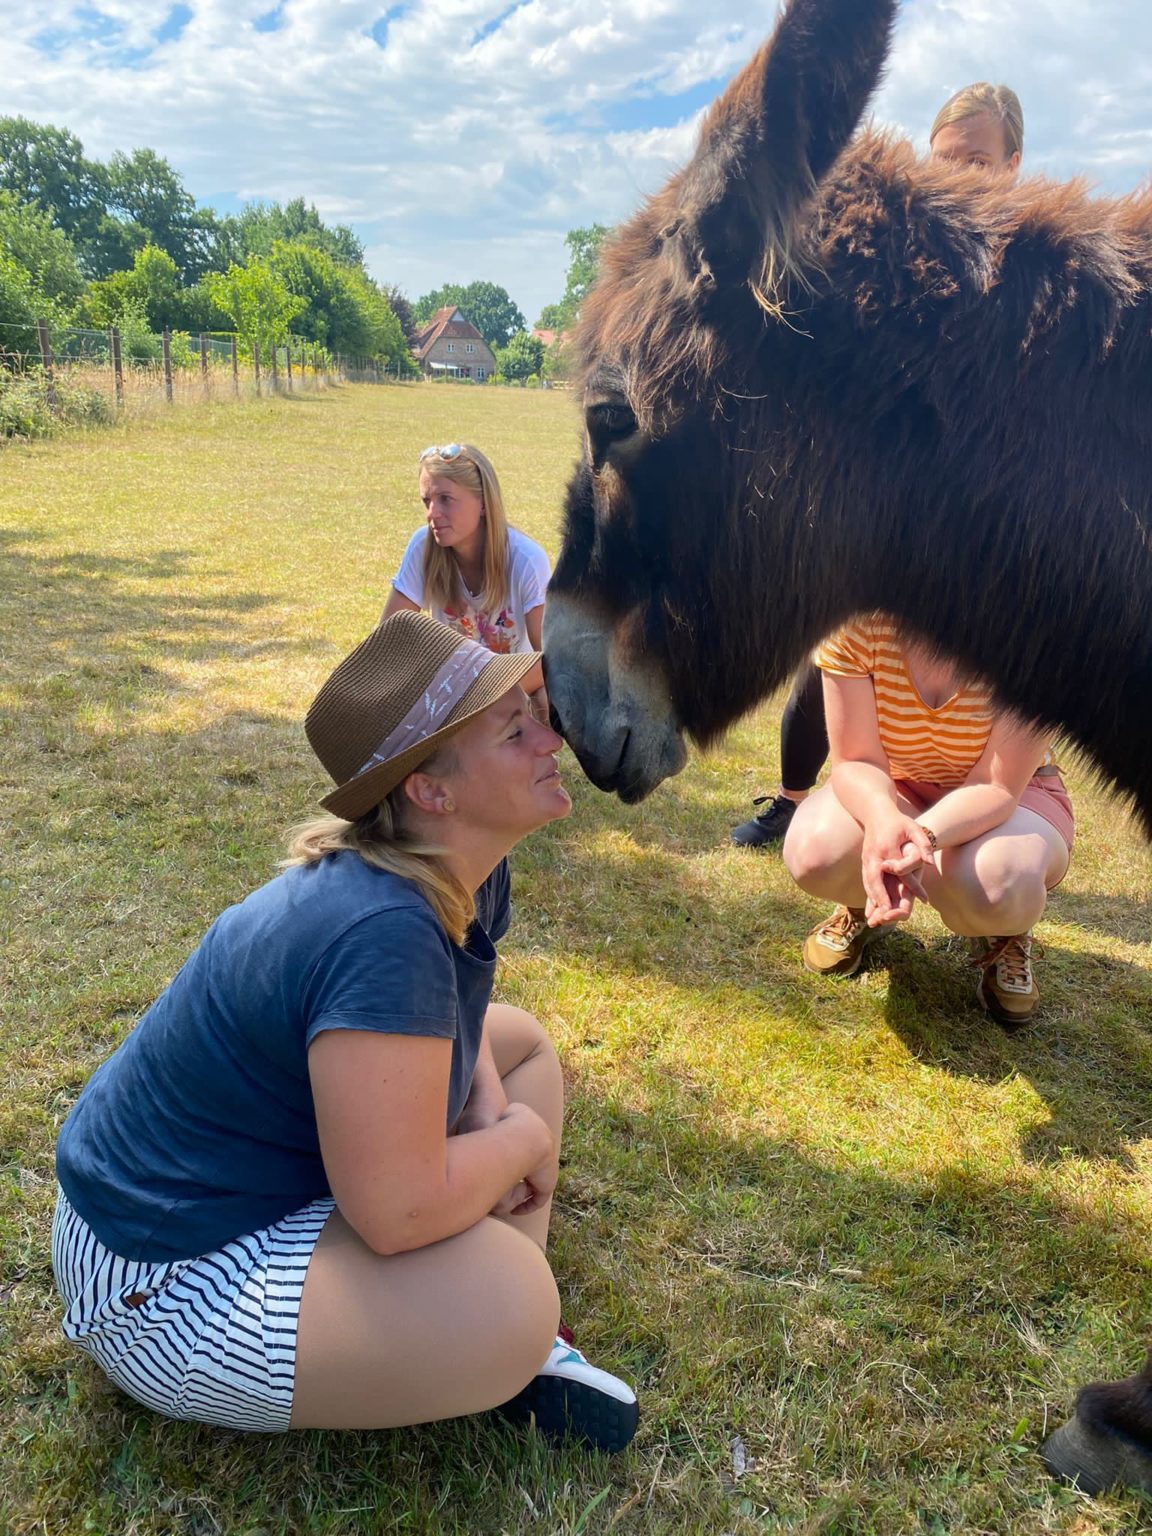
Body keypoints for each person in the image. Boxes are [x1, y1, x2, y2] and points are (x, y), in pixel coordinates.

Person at [51, 613, 639, 1451]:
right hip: (158, 1282)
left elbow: (463, 1023)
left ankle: (480, 1337)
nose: (552, 741)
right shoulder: (379, 930)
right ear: (430, 792)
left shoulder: (459, 867)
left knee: (524, 1048)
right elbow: (397, 1212)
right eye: (517, 730)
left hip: (221, 1194)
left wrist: (490, 1113)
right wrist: (519, 1140)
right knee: (515, 1292)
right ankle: (495, 1333)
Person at [731, 81, 1026, 851]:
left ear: (1014, 164)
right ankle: (798, 799)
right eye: (945, 160)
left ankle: (981, 836)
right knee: (831, 660)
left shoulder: (1029, 278)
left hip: (975, 521)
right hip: (877, 508)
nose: (960, 175)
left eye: (978, 160)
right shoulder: (905, 261)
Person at [781, 614, 1073, 1027]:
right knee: (815, 851)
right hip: (901, 784)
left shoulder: (1038, 637)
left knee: (999, 882)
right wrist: (883, 823)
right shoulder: (857, 622)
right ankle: (863, 906)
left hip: (1015, 795)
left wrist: (923, 837)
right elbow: (857, 760)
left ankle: (1005, 933)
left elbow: (997, 786)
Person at [383, 442, 551, 721]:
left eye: (445, 499)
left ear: (483, 503)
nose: (432, 514)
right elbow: (389, 641)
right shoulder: (422, 546)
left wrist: (483, 692)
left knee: (547, 697)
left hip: (511, 689)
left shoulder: (526, 559)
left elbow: (551, 663)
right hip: (448, 695)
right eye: (427, 501)